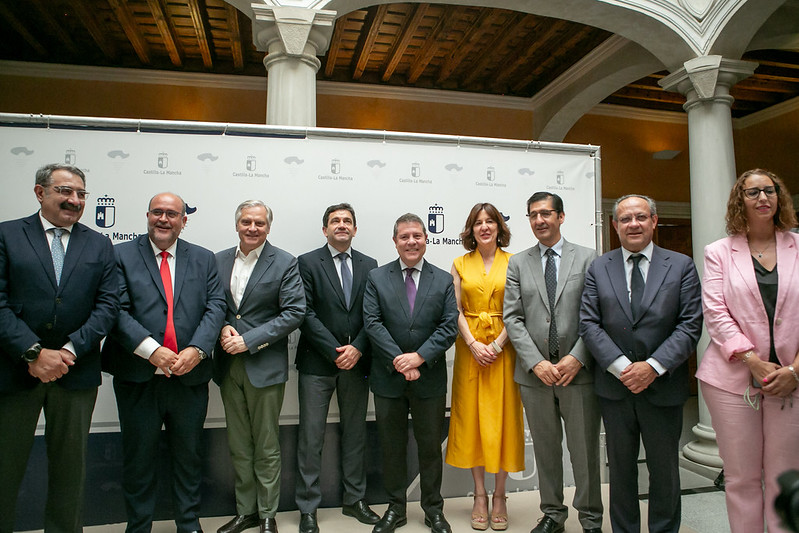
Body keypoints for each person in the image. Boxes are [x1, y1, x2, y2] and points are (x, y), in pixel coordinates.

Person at [0, 164, 119, 533]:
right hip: (16, 370)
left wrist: (68, 351)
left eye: (81, 194)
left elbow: (108, 306)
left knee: (70, 470)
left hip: (75, 371)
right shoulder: (7, 235)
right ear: (40, 193)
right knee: (5, 466)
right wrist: (34, 352)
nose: (74, 200)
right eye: (65, 191)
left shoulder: (99, 243)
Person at [102, 192, 226, 533]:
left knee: (188, 458)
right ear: (147, 216)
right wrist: (151, 350)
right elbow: (115, 309)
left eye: (172, 214)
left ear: (183, 221)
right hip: (138, 376)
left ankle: (188, 523)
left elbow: (216, 307)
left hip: (189, 377)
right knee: (139, 459)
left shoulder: (203, 258)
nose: (163, 219)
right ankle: (139, 525)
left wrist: (197, 350)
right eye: (157, 212)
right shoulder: (121, 255)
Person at [579, 194, 702, 533]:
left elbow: (690, 324)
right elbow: (589, 323)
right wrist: (622, 367)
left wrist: (653, 367)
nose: (633, 224)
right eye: (625, 219)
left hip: (663, 386)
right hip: (615, 389)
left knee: (664, 471)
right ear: (615, 225)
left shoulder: (680, 266)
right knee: (620, 471)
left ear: (654, 221)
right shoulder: (599, 267)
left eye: (640, 217)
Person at [696, 169, 799, 533]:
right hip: (732, 380)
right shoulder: (718, 252)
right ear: (740, 200)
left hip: (792, 380)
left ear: (779, 197)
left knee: (786, 475)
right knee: (740, 477)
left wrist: (794, 370)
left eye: (769, 190)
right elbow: (715, 311)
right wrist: (753, 361)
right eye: (753, 192)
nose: (762, 198)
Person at [504, 192, 602, 533]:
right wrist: (536, 362)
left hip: (579, 373)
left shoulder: (588, 259)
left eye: (546, 213)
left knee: (585, 452)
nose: (539, 220)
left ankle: (590, 518)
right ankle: (552, 514)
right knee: (546, 450)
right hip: (536, 377)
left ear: (561, 217)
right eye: (532, 215)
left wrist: (577, 357)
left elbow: (596, 315)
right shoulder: (518, 262)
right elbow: (513, 318)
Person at [214, 200, 306, 533]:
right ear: (237, 223)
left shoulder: (284, 262)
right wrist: (224, 326)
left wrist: (250, 340)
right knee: (239, 444)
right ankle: (246, 511)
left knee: (266, 445)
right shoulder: (218, 260)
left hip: (264, 365)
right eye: (247, 222)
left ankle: (267, 514)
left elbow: (294, 312)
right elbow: (212, 304)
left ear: (269, 227)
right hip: (227, 365)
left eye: (260, 223)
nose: (253, 228)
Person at [363, 213, 458, 533]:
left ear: (426, 239)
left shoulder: (443, 279)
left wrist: (419, 358)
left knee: (430, 447)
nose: (411, 242)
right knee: (392, 446)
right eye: (404, 237)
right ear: (395, 241)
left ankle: (433, 509)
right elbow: (372, 323)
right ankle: (396, 508)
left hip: (429, 378)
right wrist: (400, 361)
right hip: (388, 377)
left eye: (417, 235)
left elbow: (448, 327)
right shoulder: (377, 277)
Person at [295, 203, 379, 533]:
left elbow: (372, 314)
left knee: (355, 434)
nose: (341, 225)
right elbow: (304, 313)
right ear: (325, 229)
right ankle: (307, 508)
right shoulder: (307, 262)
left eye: (347, 221)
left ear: (355, 229)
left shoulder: (369, 265)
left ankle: (354, 500)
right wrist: (335, 351)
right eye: (335, 221)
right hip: (318, 363)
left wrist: (358, 347)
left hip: (358, 363)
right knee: (311, 437)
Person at [444, 202, 524, 531]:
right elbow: (456, 310)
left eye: (490, 221)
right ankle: (479, 494)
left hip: (504, 350)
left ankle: (501, 495)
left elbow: (519, 309)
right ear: (471, 229)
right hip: (470, 350)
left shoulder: (515, 262)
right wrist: (475, 344)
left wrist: (496, 344)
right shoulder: (460, 263)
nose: (485, 227)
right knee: (472, 420)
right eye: (478, 222)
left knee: (504, 418)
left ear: (499, 227)